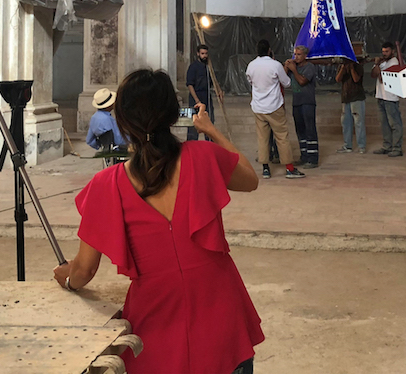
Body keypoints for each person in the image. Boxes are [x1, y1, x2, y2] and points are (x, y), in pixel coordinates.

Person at [53, 69, 264, 374]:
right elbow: (250, 180)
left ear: (122, 120)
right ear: (171, 114)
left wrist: (67, 278)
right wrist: (212, 131)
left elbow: (84, 270)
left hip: (154, 332)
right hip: (222, 322)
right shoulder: (204, 156)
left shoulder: (106, 185)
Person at [245, 40, 305, 180]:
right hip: (274, 106)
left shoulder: (251, 65)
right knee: (282, 137)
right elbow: (287, 83)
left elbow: (250, 81)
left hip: (258, 107)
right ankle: (289, 169)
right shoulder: (275, 65)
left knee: (263, 138)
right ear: (269, 50)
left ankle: (266, 169)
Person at [285, 45, 319, 168]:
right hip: (297, 103)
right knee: (300, 130)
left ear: (305, 56)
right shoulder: (294, 66)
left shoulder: (309, 67)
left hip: (307, 102)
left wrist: (294, 70)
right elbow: (283, 80)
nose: (296, 57)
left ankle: (313, 159)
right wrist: (286, 67)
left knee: (310, 129)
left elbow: (302, 81)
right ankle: (304, 156)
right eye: (295, 54)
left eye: (299, 54)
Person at [371, 41, 404, 156]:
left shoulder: (394, 62)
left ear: (393, 51)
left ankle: (397, 148)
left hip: (391, 97)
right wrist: (376, 65)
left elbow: (382, 79)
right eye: (383, 51)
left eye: (387, 51)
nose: (384, 53)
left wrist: (378, 65)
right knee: (384, 124)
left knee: (394, 123)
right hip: (380, 96)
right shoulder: (382, 62)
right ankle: (387, 146)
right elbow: (373, 75)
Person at [185, 44, 222, 141]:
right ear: (198, 54)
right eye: (202, 54)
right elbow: (190, 85)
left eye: (206, 54)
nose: (204, 56)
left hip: (206, 96)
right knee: (193, 125)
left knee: (209, 123)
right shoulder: (193, 67)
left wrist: (219, 90)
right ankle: (192, 148)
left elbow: (214, 80)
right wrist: (197, 100)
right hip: (195, 97)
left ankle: (209, 146)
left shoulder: (208, 67)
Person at [335, 44, 367, 153]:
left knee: (359, 122)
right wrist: (344, 68)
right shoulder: (342, 66)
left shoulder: (358, 65)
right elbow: (338, 79)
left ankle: (361, 145)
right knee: (346, 122)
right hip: (346, 97)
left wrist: (352, 67)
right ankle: (347, 145)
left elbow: (356, 79)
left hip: (357, 96)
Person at [85, 88, 128, 153]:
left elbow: (89, 140)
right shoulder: (108, 119)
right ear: (109, 105)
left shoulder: (94, 118)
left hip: (109, 150)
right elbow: (118, 140)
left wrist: (102, 145)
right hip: (120, 149)